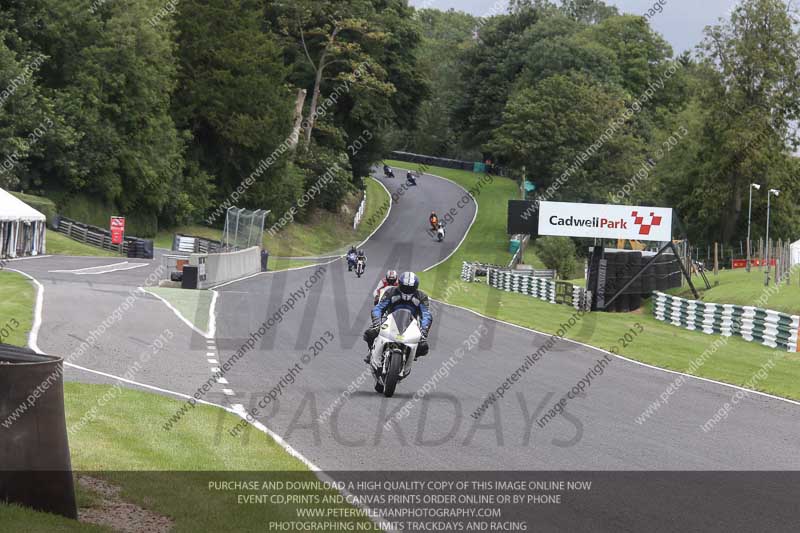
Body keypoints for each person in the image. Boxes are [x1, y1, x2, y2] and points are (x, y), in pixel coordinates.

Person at [363, 272, 432, 362]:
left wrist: (424, 332)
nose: (407, 290)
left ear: (416, 287)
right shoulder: (391, 292)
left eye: (410, 288)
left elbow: (426, 315)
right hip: (389, 319)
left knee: (423, 347)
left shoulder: (422, 297)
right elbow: (378, 308)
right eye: (405, 287)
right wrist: (377, 323)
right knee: (370, 334)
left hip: (412, 324)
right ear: (399, 284)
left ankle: (411, 355)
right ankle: (371, 351)